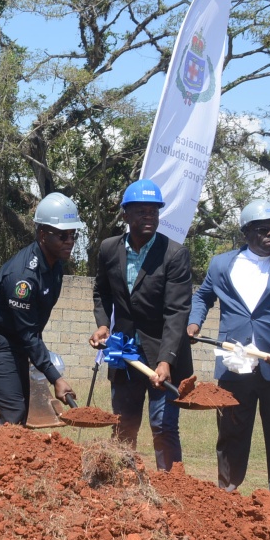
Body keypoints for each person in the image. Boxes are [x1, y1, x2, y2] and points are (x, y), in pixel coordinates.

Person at [187, 199, 270, 492]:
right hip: (235, 365)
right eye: (263, 229)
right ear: (246, 232)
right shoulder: (222, 264)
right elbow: (203, 296)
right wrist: (195, 322)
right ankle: (227, 495)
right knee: (231, 432)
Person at [90, 179, 193, 471]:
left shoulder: (174, 254)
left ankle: (172, 486)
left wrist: (166, 360)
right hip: (124, 354)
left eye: (154, 212)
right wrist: (102, 325)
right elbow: (102, 292)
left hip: (164, 357)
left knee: (163, 425)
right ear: (126, 215)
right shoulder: (109, 249)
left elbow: (177, 311)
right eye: (141, 211)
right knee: (124, 425)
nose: (149, 217)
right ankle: (123, 486)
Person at [0, 192, 80, 424]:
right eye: (62, 235)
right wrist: (54, 377)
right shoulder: (23, 277)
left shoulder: (55, 266)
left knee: (19, 412)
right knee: (11, 414)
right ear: (42, 234)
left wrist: (40, 360)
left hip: (16, 341)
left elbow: (33, 327)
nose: (69, 241)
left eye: (73, 234)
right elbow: (28, 332)